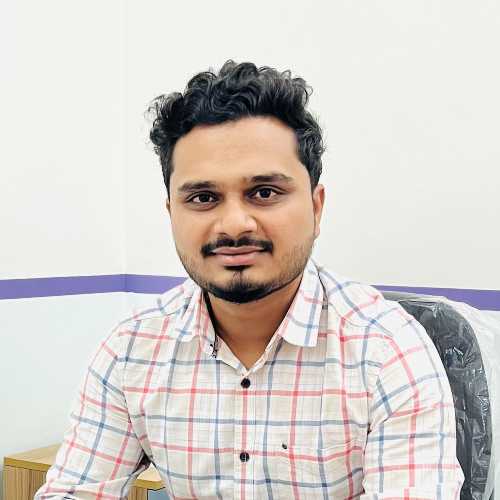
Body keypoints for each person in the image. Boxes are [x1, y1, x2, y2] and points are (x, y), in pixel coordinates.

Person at [35, 60, 464, 499]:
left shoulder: (388, 350)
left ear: (316, 208)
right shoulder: (131, 350)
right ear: (172, 214)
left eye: (264, 193)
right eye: (203, 197)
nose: (235, 224)